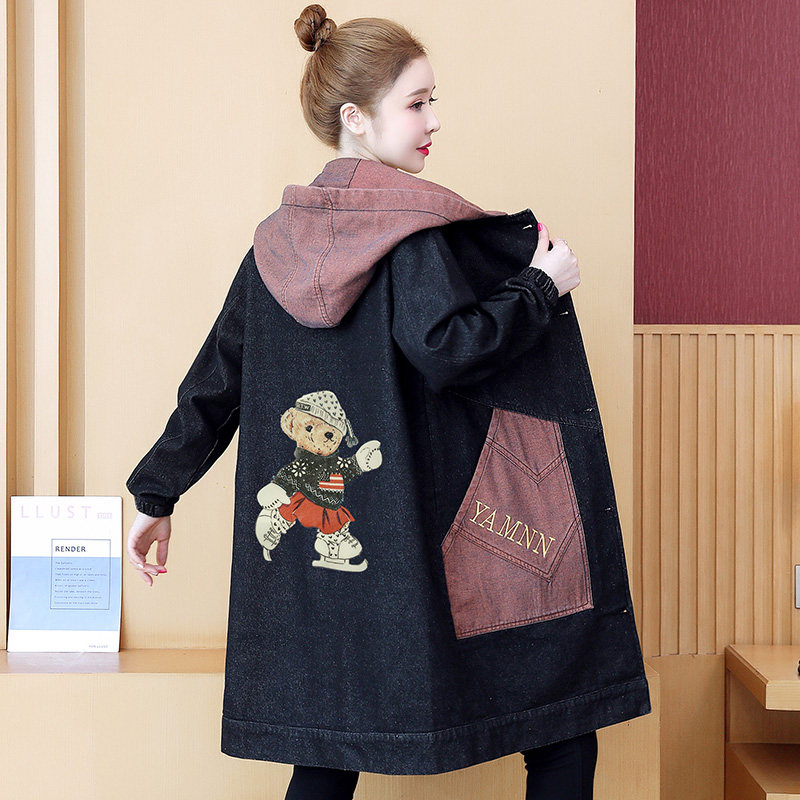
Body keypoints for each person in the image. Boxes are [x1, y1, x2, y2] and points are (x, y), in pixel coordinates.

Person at [126, 5, 650, 798]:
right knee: (561, 709)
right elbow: (451, 350)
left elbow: (215, 384)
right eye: (417, 103)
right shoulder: (413, 238)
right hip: (422, 545)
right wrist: (540, 287)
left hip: (322, 569)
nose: (434, 120)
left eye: (433, 100)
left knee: (328, 747)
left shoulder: (270, 249)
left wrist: (155, 495)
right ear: (355, 118)